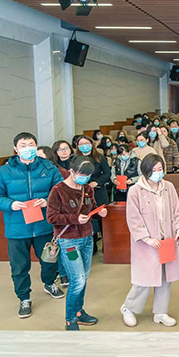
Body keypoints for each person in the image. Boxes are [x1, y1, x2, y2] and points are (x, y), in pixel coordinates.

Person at [0, 132, 65, 318]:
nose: (27, 148)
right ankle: (24, 298)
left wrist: (48, 201)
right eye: (23, 145)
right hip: (17, 227)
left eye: (31, 144)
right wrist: (10, 204)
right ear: (16, 149)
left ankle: (49, 283)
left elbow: (60, 191)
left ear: (36, 147)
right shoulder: (4, 171)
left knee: (49, 259)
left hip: (43, 224)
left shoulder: (49, 167)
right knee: (19, 266)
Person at [120, 154, 179, 328]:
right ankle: (128, 308)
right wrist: (146, 238)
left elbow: (176, 211)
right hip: (146, 244)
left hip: (166, 241)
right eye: (154, 170)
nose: (158, 173)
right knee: (144, 279)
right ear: (145, 171)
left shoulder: (168, 187)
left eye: (160, 169)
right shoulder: (135, 191)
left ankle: (160, 312)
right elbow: (133, 218)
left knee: (165, 277)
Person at [47, 156, 107, 330]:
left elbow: (91, 208)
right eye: (82, 174)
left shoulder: (87, 188)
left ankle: (79, 312)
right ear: (71, 171)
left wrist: (99, 213)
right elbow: (51, 217)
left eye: (88, 176)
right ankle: (70, 318)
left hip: (87, 238)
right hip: (69, 242)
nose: (85, 178)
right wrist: (74, 218)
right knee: (78, 279)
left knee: (83, 278)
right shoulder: (58, 190)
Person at [75, 135, 111, 253]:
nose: (84, 146)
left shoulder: (99, 157)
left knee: (102, 218)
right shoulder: (75, 159)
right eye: (81, 144)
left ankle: (106, 245)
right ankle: (92, 245)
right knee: (88, 217)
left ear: (92, 144)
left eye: (87, 143)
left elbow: (107, 173)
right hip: (82, 191)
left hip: (98, 190)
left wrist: (97, 182)